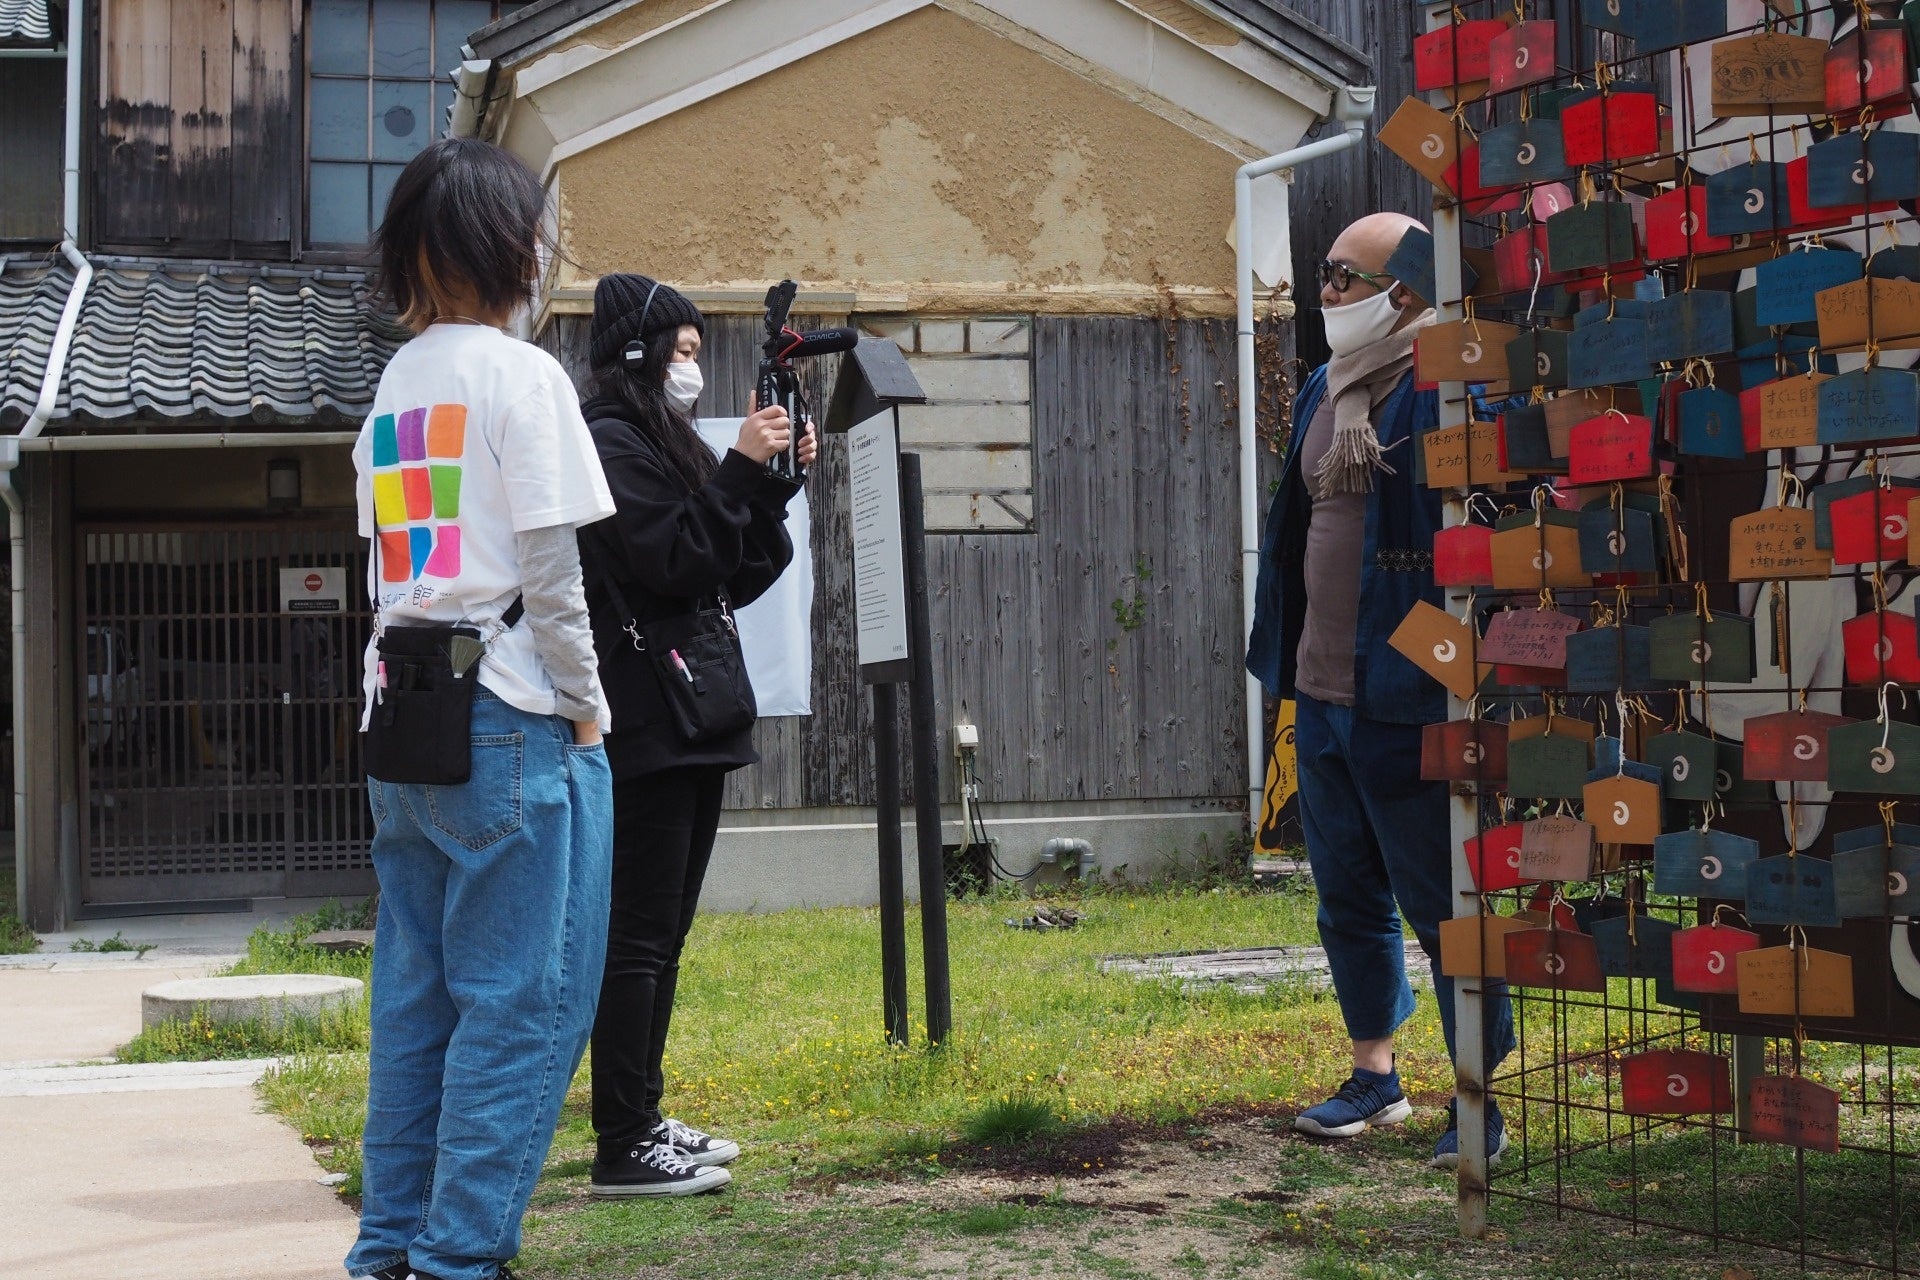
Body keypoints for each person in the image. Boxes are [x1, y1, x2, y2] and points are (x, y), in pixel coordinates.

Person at [345, 137, 616, 1280]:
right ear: (513, 250)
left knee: (415, 1004)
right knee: (521, 1001)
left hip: (402, 715)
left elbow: (382, 563)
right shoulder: (523, 377)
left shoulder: (396, 383)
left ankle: (389, 1250)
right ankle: (461, 1259)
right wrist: (589, 706)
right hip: (507, 716)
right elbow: (551, 576)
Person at [1246, 212, 1516, 1169]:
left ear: (1404, 292)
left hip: (1408, 689)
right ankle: (1376, 1075)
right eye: (1321, 273)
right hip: (1320, 691)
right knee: (1345, 895)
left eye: (1343, 277)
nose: (1325, 290)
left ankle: (1482, 1098)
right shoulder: (1327, 384)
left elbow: (1488, 521)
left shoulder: (1446, 383)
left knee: (1445, 903)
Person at [575, 274, 813, 1197]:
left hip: (688, 712)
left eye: (698, 349)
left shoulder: (659, 438)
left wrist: (772, 485)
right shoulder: (609, 441)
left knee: (662, 935)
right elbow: (670, 557)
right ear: (636, 352)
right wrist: (739, 469)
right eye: (680, 349)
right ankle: (621, 1139)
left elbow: (728, 570)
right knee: (638, 936)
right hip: (645, 717)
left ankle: (642, 1115)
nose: (694, 365)